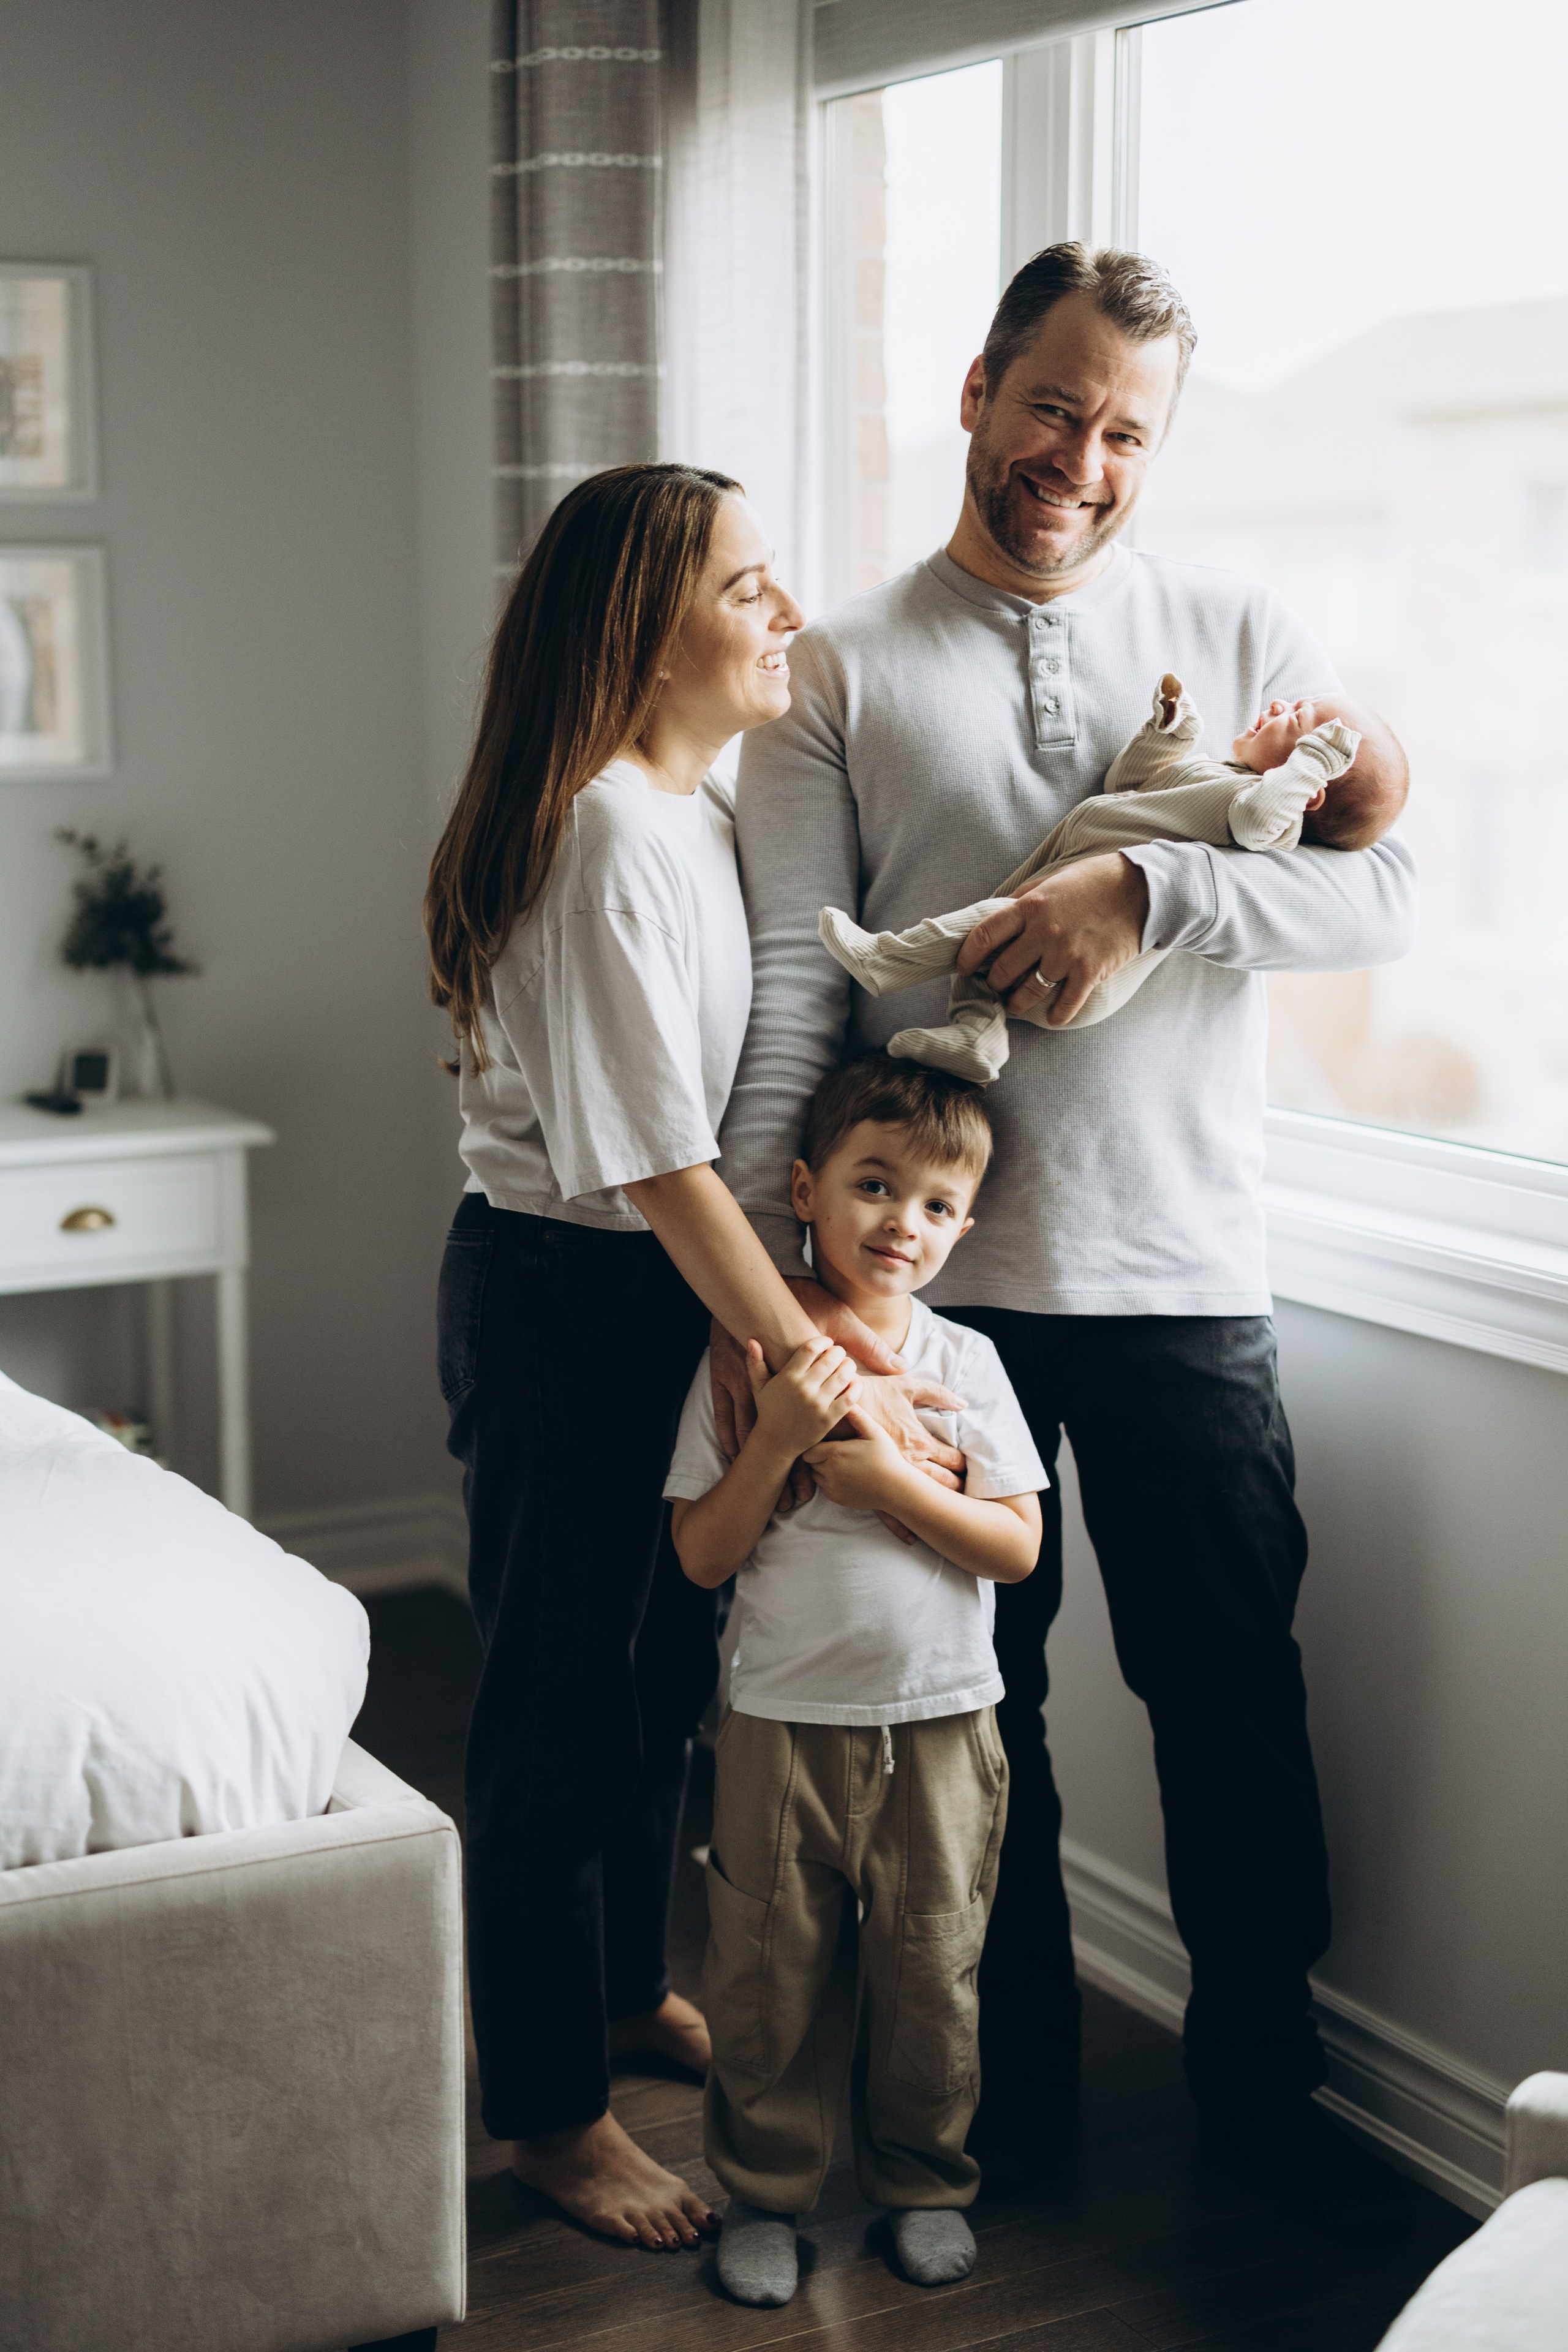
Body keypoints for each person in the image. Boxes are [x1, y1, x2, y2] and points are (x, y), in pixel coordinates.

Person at [714, 243, 1419, 2241]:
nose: (1079, 459)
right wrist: (773, 1315)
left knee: (1230, 1704)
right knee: (969, 1738)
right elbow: (794, 998)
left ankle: (1261, 2103)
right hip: (937, 1316)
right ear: (975, 388)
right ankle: (996, 2108)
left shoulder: (1239, 626)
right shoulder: (836, 667)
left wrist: (1148, 898)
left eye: (1124, 431)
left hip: (1192, 1284)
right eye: (1053, 404)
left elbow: (1380, 900)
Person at [423, 463, 963, 2253]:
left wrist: (741, 1314)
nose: (784, 614)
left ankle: (596, 1995)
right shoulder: (596, 835)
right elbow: (654, 1161)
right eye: (748, 585)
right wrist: (815, 1348)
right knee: (553, 1705)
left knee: (646, 1688)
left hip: (648, 1287)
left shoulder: (680, 814)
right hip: (568, 1299)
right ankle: (548, 2116)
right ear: (642, 626)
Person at [665, 1055, 1047, 2307]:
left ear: (964, 1227)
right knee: (763, 1973)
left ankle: (923, 2182)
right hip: (782, 1727)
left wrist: (892, 1487)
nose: (903, 1222)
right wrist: (777, 1438)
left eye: (937, 1205)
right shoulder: (744, 1355)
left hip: (942, 1726)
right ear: (803, 1190)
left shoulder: (970, 1364)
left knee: (931, 1971)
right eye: (874, 1186)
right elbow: (700, 1555)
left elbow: (1017, 1545)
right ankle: (764, 2196)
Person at [819, 673, 1408, 1080]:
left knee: (988, 927)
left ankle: (888, 961)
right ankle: (975, 1040)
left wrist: (1145, 893)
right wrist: (1167, 733)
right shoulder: (1218, 774)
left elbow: (1264, 825)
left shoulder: (1265, 815)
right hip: (1060, 873)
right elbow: (1128, 785)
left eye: (1299, 723)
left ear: (1310, 788)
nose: (1279, 705)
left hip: (1083, 970)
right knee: (984, 955)